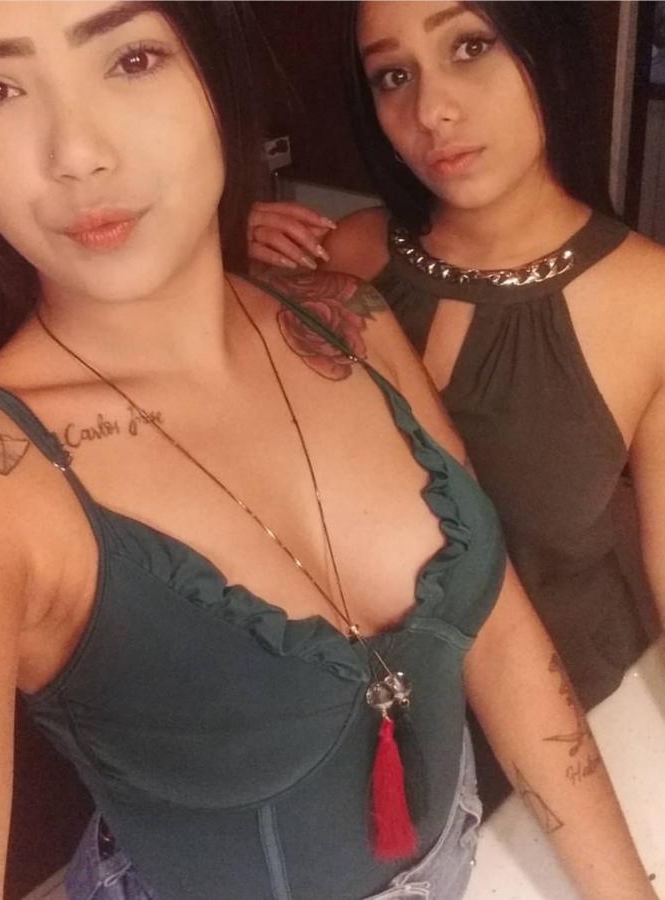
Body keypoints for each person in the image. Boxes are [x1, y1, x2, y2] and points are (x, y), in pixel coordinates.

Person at [0, 3, 658, 900]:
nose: (76, 154)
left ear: (217, 75)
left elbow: (503, 635)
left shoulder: (348, 320)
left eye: (132, 60)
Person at [248, 0, 665, 808]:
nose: (430, 111)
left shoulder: (648, 299)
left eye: (470, 46)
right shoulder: (347, 257)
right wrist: (219, 267)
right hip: (366, 719)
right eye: (391, 76)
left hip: (566, 723)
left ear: (545, 51)